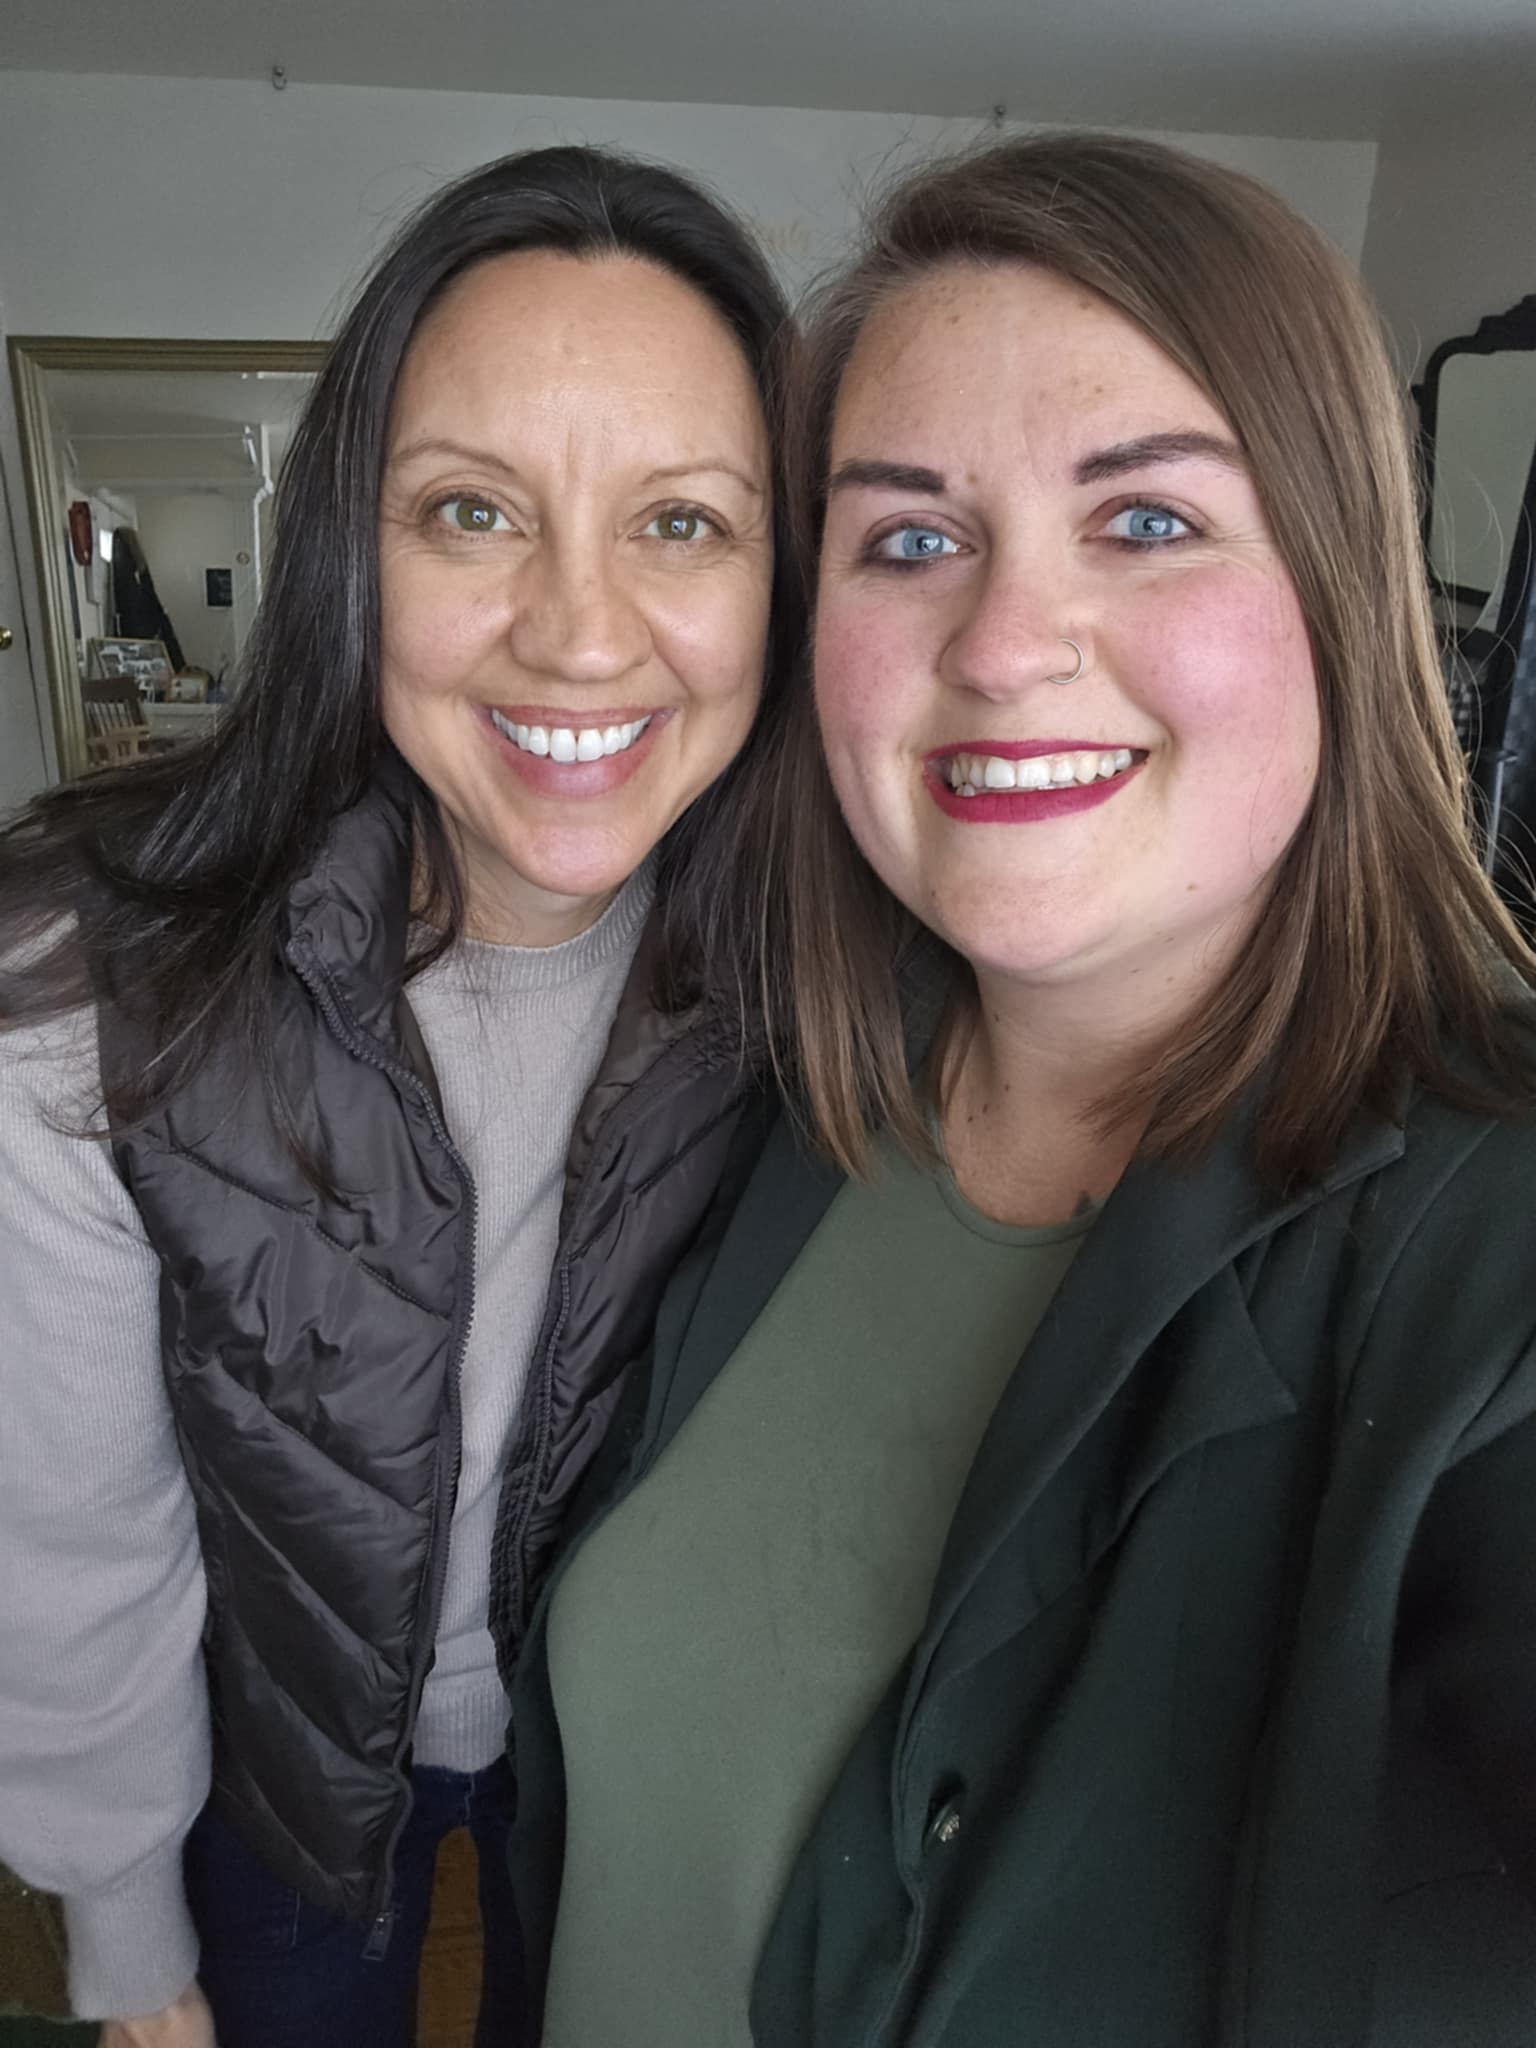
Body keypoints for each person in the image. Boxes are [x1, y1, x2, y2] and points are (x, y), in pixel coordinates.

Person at [503, 133, 1536, 2045]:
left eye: (1144, 519)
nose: (997, 645)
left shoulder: (1492, 1253)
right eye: (909, 540)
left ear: (1340, 582)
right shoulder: (765, 1091)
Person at [0, 144, 798, 2048]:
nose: (580, 631)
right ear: (353, 553)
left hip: (624, 1764)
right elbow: (74, 1541)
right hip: (263, 1776)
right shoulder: (89, 991)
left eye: (682, 522)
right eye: (471, 510)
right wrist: (127, 1936)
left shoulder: (827, 982)